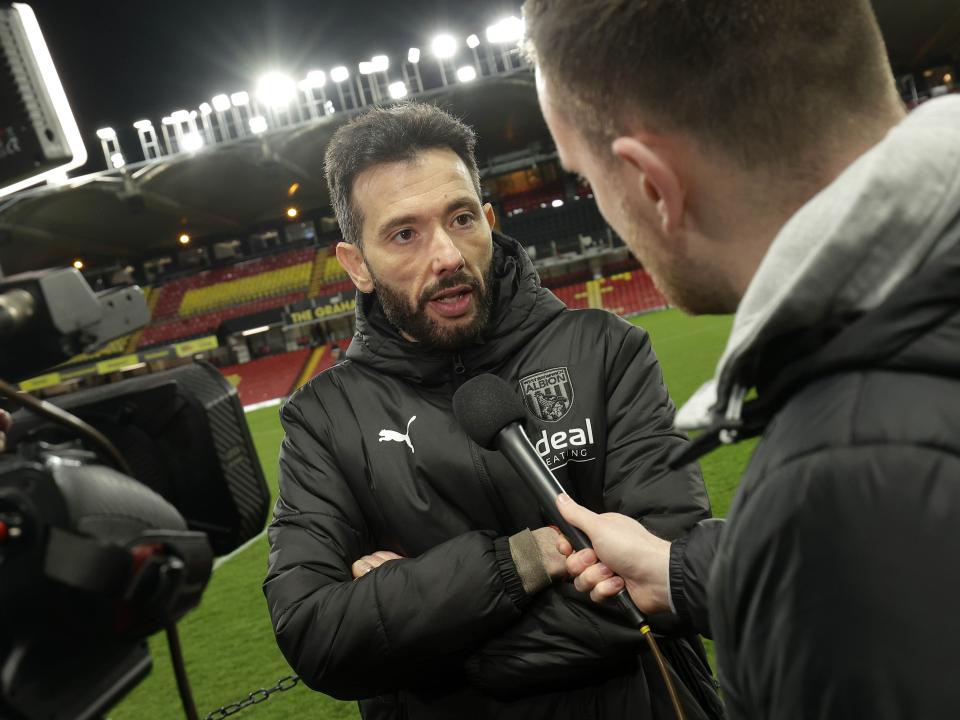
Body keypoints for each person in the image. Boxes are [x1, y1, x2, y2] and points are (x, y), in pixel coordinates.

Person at [523, 0, 960, 717]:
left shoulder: (841, 495)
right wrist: (684, 571)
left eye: (583, 176)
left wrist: (798, 549)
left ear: (650, 184)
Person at [263, 102, 725, 719]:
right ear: (357, 265)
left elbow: (666, 569)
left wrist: (439, 662)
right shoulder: (323, 418)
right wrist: (520, 561)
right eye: (405, 234)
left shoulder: (605, 348)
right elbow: (314, 631)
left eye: (460, 219)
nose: (448, 255)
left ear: (487, 219)